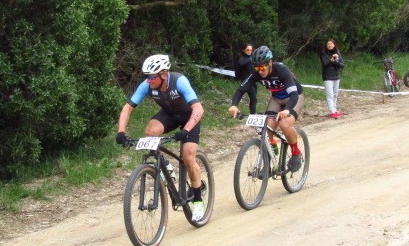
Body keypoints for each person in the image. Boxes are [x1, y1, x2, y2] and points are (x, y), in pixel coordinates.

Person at [116, 54, 206, 221]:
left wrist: (186, 130)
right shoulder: (147, 85)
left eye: (151, 77)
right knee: (150, 132)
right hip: (170, 115)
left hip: (190, 118)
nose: (148, 80)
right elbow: (128, 108)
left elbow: (198, 109)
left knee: (188, 157)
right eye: (147, 77)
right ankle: (165, 166)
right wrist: (121, 132)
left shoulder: (179, 81)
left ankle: (198, 200)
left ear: (163, 74)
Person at [228, 46, 304, 172]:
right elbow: (242, 89)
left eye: (263, 67)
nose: (260, 71)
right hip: (277, 99)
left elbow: (294, 95)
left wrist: (287, 110)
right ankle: (271, 157)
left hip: (294, 98)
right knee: (268, 126)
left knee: (284, 124)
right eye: (257, 68)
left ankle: (296, 152)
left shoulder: (281, 69)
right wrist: (234, 104)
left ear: (270, 63)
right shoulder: (257, 73)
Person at [320, 39, 345, 119]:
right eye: (328, 44)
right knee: (330, 94)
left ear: (334, 45)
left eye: (331, 44)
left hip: (336, 76)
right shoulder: (323, 53)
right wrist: (331, 59)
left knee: (335, 94)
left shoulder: (337, 52)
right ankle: (332, 111)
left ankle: (335, 109)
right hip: (327, 76)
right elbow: (325, 63)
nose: (329, 45)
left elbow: (342, 65)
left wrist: (336, 61)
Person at [233, 43, 258, 114]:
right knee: (254, 98)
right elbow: (240, 64)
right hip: (246, 81)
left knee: (254, 100)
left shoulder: (251, 58)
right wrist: (251, 59)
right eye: (247, 50)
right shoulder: (241, 58)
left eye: (251, 50)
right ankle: (252, 115)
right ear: (244, 50)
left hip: (254, 80)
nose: (249, 51)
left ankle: (252, 114)